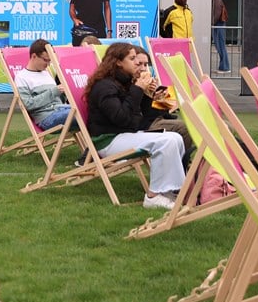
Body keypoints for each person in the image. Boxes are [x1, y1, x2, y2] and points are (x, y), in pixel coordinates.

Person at [85, 42, 186, 211]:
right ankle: (153, 196)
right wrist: (137, 89)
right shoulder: (104, 86)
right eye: (132, 59)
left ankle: (168, 192)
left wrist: (149, 95)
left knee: (175, 138)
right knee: (166, 141)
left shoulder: (124, 83)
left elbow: (140, 118)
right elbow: (121, 118)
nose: (137, 63)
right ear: (118, 62)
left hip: (124, 134)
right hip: (107, 140)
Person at [133, 47, 194, 160]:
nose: (143, 69)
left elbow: (165, 112)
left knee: (191, 125)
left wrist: (158, 97)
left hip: (156, 120)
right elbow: (144, 116)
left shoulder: (147, 83)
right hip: (144, 126)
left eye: (146, 65)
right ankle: (182, 164)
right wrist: (146, 95)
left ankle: (184, 163)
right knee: (186, 128)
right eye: (139, 64)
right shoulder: (131, 85)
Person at [12, 39, 71, 131]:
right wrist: (54, 91)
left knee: (89, 109)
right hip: (46, 117)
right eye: (45, 60)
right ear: (34, 56)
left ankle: (94, 144)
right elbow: (28, 105)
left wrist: (64, 93)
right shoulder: (22, 77)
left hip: (62, 109)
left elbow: (58, 99)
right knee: (80, 113)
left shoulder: (46, 73)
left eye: (50, 61)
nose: (48, 64)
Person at [211, 0, 229, 72]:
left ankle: (224, 67)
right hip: (218, 24)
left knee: (220, 45)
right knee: (220, 45)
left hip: (218, 24)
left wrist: (212, 23)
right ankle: (223, 66)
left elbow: (217, 13)